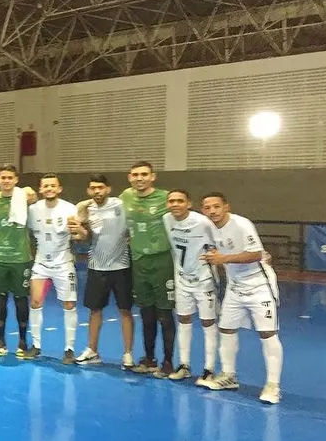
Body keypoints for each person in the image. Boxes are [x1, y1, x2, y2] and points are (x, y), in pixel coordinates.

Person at [200, 193, 283, 404]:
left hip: (259, 285)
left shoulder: (241, 224)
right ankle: (229, 376)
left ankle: (273, 386)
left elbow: (256, 254)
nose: (212, 211)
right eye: (207, 207)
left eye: (216, 206)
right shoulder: (208, 228)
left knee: (267, 333)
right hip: (235, 287)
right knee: (226, 329)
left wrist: (223, 259)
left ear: (226, 207)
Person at [71, 175, 134, 368]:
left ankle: (128, 354)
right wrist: (81, 231)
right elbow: (86, 236)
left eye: (100, 187)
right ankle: (92, 350)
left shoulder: (120, 204)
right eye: (92, 188)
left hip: (121, 267)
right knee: (94, 310)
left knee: (125, 310)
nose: (97, 191)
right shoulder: (86, 210)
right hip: (96, 266)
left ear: (108, 188)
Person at [120, 161, 174, 375]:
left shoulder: (166, 197)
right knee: (146, 314)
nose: (139, 178)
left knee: (165, 314)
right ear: (129, 177)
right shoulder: (125, 196)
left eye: (144, 174)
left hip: (162, 261)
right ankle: (149, 358)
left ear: (153, 177)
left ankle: (168, 361)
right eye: (135, 174)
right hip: (139, 262)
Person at [163, 189, 218, 382]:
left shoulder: (202, 222)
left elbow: (217, 244)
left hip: (204, 280)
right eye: (171, 201)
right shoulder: (167, 220)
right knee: (184, 320)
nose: (175, 204)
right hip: (182, 280)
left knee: (207, 322)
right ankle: (184, 365)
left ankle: (209, 369)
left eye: (179, 201)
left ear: (189, 203)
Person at [27, 174, 79, 362]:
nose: (49, 189)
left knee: (69, 305)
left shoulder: (69, 209)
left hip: (63, 263)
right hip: (41, 263)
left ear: (59, 189)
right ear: (40, 189)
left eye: (53, 186)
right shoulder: (33, 210)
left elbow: (77, 234)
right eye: (45, 186)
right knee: (35, 303)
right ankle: (36, 345)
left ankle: (69, 349)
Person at [0, 164, 34, 357]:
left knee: (21, 299)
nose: (6, 180)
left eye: (9, 177)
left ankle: (22, 341)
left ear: (16, 180)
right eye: (2, 177)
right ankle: (1, 340)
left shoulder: (25, 198)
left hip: (20, 258)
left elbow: (35, 196)